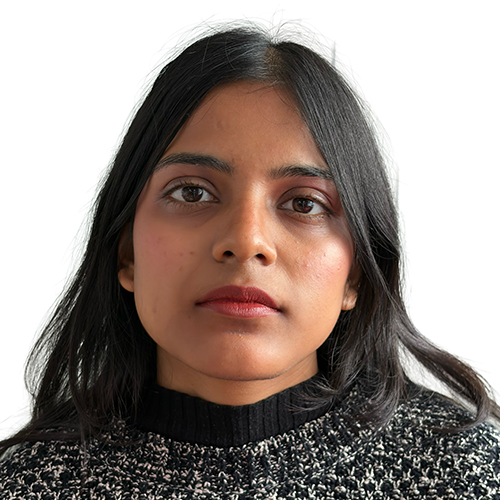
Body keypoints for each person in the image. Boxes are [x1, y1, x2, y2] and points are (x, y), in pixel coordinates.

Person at [1, 24, 499, 499]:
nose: (246, 241)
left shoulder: (467, 475)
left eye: (304, 203)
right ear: (126, 251)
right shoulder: (25, 485)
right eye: (192, 192)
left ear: (357, 275)